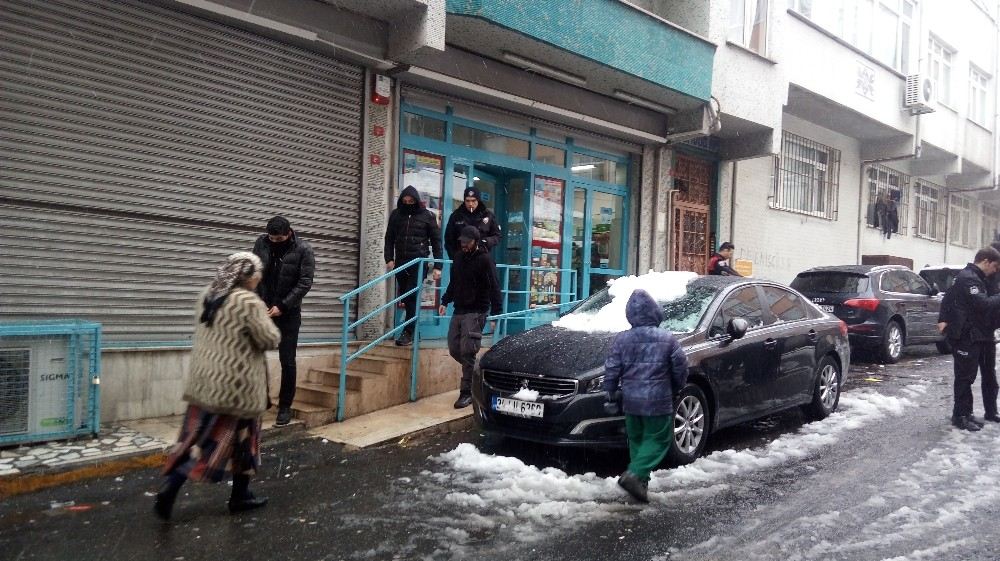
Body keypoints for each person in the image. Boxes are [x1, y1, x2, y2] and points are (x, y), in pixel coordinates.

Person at [155, 252, 281, 521]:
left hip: (203, 384)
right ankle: (175, 483)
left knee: (196, 438)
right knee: (232, 443)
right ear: (250, 277)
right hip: (237, 388)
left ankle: (240, 495)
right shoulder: (247, 301)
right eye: (257, 275)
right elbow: (270, 339)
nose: (259, 280)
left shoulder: (207, 295)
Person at [603, 288, 689, 503]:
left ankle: (640, 485)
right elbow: (681, 368)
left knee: (638, 441)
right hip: (658, 402)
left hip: (631, 402)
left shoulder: (622, 339)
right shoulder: (668, 339)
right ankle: (634, 475)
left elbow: (612, 368)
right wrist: (677, 387)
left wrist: (610, 392)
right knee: (658, 440)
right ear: (655, 313)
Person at [252, 216, 315, 426]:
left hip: (288, 313)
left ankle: (285, 407)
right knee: (253, 355)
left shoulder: (303, 249)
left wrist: (283, 306)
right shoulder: (261, 243)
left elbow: (305, 282)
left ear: (289, 233)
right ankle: (261, 399)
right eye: (272, 238)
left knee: (287, 360)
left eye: (279, 239)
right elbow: (253, 273)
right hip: (263, 310)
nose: (274, 242)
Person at [438, 226, 503, 409]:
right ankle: (476, 371)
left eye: (467, 242)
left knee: (467, 351)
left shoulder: (485, 260)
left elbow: (494, 287)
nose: (464, 245)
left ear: (475, 241)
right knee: (454, 348)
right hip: (459, 309)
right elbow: (454, 282)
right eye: (462, 242)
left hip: (477, 310)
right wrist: (445, 301)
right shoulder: (458, 257)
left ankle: (466, 392)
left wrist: (496, 314)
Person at [938, 247, 1000, 431]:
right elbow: (983, 303)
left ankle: (983, 412)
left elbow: (948, 298)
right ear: (986, 261)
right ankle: (960, 416)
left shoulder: (980, 277)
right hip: (968, 335)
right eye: (995, 266)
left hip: (984, 334)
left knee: (988, 375)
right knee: (965, 377)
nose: (996, 271)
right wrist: (943, 319)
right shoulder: (968, 278)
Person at [384, 185, 443, 346]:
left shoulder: (427, 216)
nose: (408, 203)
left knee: (411, 295)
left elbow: (437, 242)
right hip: (400, 262)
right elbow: (389, 237)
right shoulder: (396, 215)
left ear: (416, 201)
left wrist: (438, 266)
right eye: (405, 201)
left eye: (411, 201)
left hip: (418, 262)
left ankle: (408, 332)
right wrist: (388, 258)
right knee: (407, 297)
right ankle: (413, 331)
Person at [444, 186, 501, 259]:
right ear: (464, 200)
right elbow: (449, 239)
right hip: (461, 260)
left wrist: (486, 241)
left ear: (478, 200)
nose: (470, 204)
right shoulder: (456, 216)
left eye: (473, 201)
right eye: (467, 201)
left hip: (481, 259)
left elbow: (497, 236)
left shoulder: (488, 215)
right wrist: (455, 257)